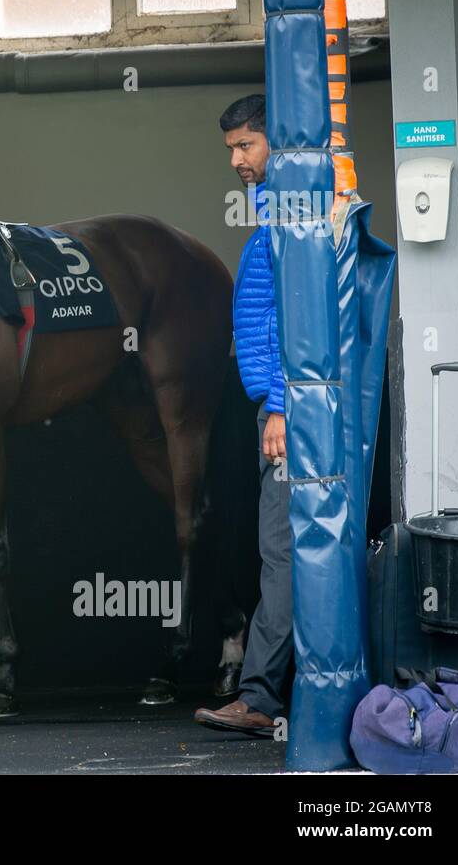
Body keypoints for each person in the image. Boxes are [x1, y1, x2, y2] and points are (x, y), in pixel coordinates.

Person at [194, 95, 292, 737]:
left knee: (282, 555)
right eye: (230, 148)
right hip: (271, 409)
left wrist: (281, 405)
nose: (235, 160)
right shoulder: (275, 220)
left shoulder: (294, 224)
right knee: (282, 554)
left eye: (245, 146)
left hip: (287, 415)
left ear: (275, 145)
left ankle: (260, 698)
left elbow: (304, 323)